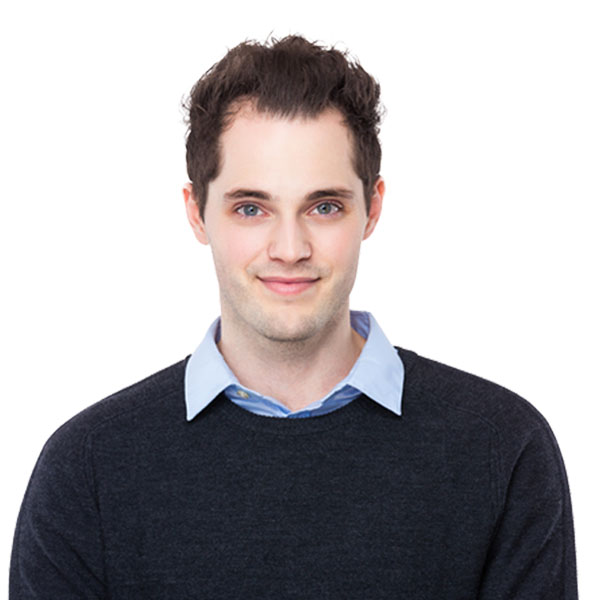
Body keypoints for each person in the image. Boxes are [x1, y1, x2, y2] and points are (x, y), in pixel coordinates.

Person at [10, 35, 578, 599]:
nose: (289, 248)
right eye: (251, 208)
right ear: (197, 213)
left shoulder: (502, 448)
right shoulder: (87, 469)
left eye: (324, 206)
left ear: (372, 208)